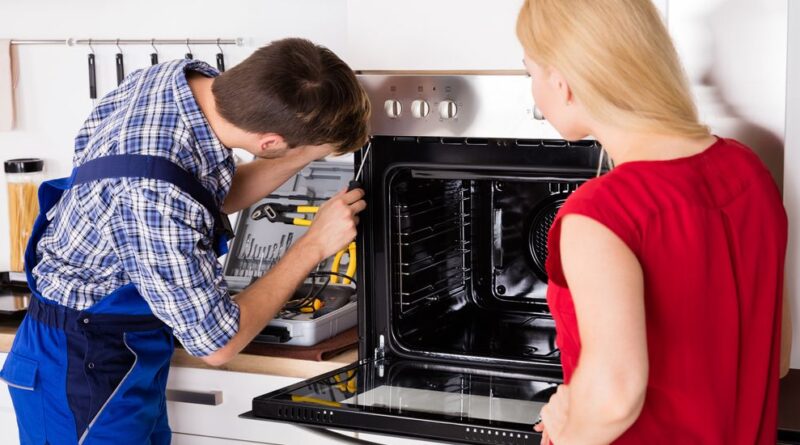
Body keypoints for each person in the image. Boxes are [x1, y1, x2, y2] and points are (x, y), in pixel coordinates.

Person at [0, 38, 370, 444]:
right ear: (268, 143)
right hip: (78, 367)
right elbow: (217, 343)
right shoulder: (150, 197)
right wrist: (313, 245)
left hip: (123, 351)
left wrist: (307, 150)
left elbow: (212, 195)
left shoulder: (174, 80)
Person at [516, 1, 790, 444]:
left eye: (529, 72)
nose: (533, 90)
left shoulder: (598, 214)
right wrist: (578, 401)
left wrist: (572, 429)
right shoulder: (748, 171)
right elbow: (772, 358)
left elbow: (614, 399)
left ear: (563, 83)